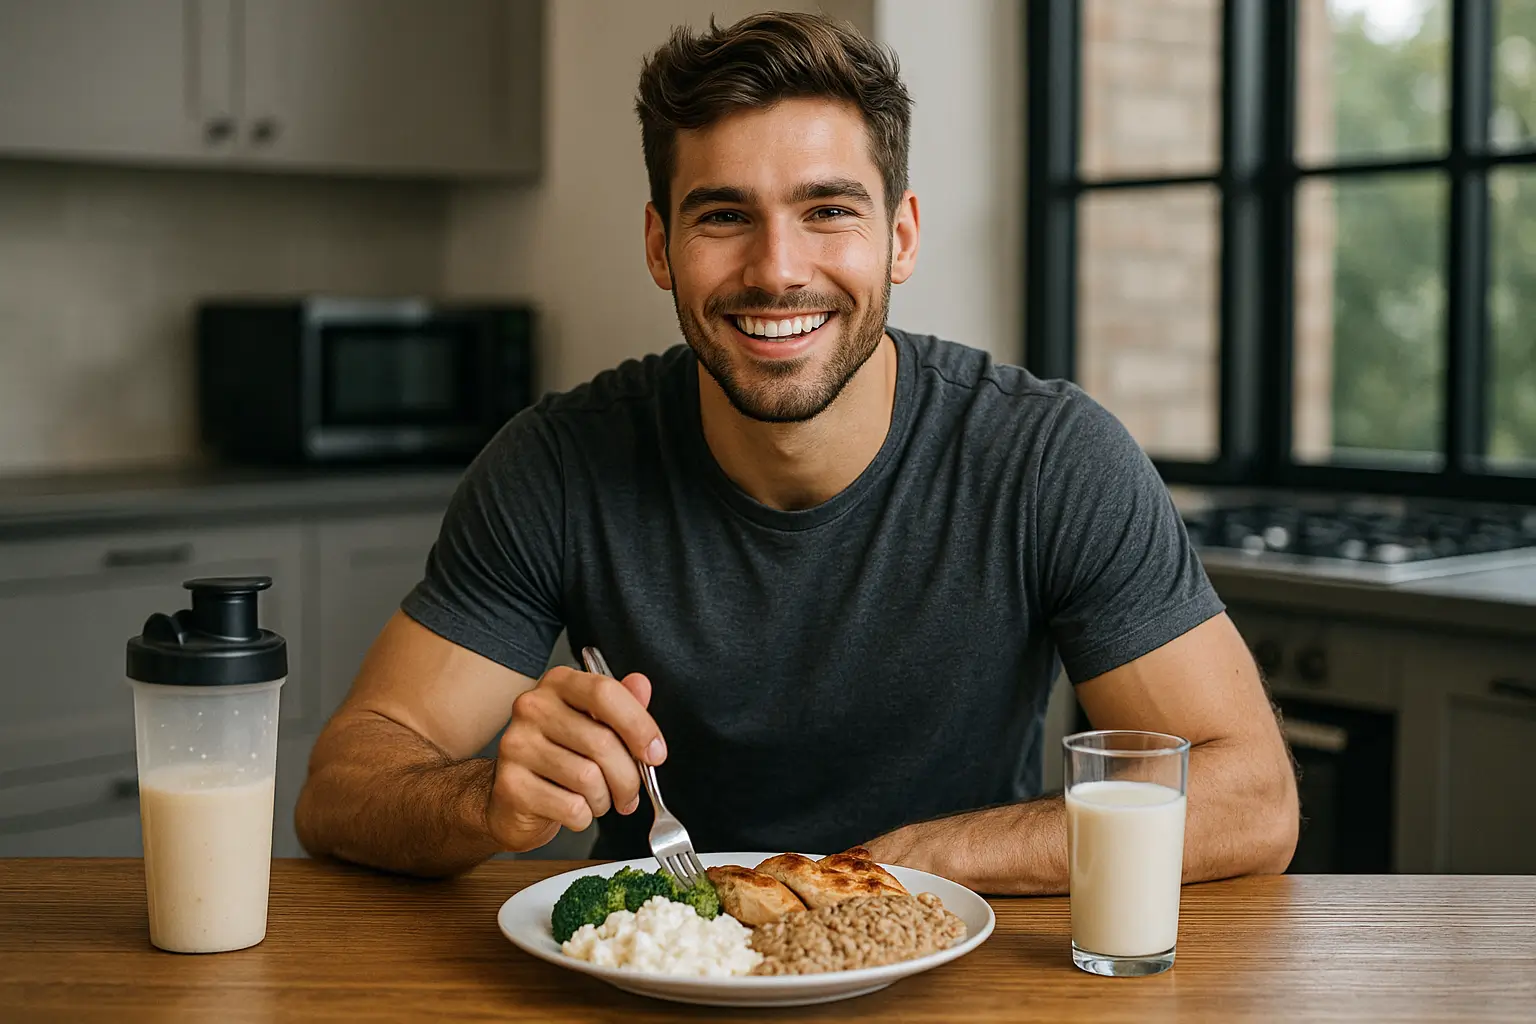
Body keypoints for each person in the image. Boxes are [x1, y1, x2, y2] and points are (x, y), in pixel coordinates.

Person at [295, 11, 1298, 891]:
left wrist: (915, 867)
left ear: (901, 236)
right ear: (659, 247)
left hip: (958, 981)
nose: (776, 271)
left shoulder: (1050, 458)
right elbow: (343, 786)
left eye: (829, 210)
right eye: (724, 215)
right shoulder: (556, 464)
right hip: (649, 977)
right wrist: (488, 803)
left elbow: (1251, 797)